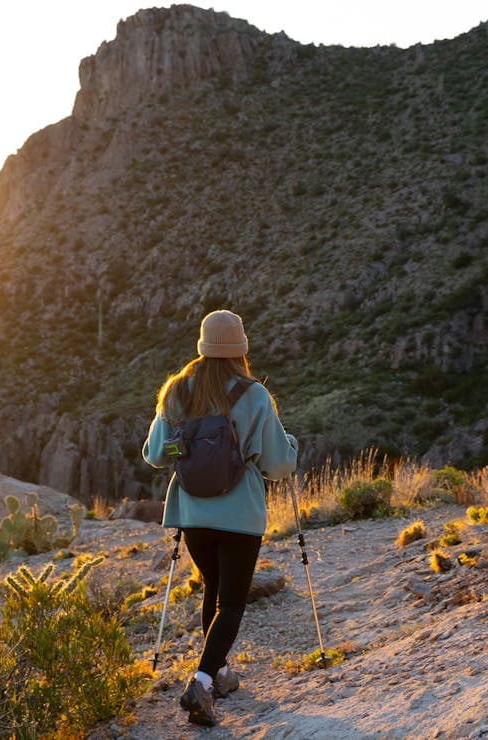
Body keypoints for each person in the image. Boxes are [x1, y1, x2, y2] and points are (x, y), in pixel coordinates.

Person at [141, 309, 298, 727]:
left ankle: (220, 672)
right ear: (241, 350)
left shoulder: (176, 391)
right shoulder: (254, 395)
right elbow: (278, 466)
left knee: (213, 587)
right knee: (231, 600)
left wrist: (185, 450)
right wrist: (291, 447)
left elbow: (156, 455)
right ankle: (203, 681)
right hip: (240, 515)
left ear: (202, 346)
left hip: (192, 513)